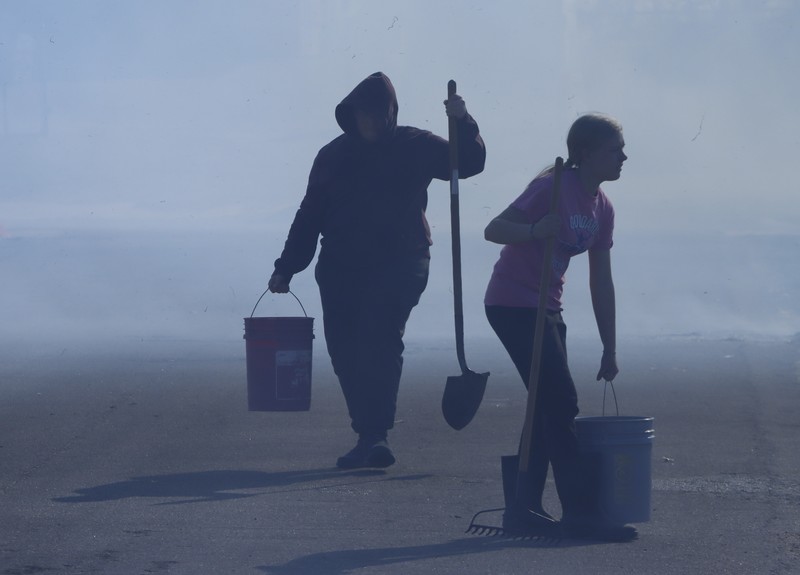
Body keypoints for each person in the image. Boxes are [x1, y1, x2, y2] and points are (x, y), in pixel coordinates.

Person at [268, 72, 486, 469]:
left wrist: (463, 121)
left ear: (389, 113)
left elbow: (468, 162)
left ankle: (375, 434)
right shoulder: (332, 155)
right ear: (350, 115)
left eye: (374, 114)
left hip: (402, 262)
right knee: (343, 349)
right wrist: (287, 267)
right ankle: (367, 433)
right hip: (340, 266)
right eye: (360, 114)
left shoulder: (415, 144)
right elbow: (310, 214)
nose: (367, 122)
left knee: (380, 340)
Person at [483, 113, 634, 540]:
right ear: (585, 153)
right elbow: (494, 229)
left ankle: (522, 509)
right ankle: (581, 515)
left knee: (546, 406)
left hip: (548, 307)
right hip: (512, 302)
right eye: (615, 150)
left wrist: (609, 347)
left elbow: (601, 282)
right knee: (561, 402)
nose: (623, 157)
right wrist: (534, 229)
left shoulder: (602, 207)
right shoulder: (552, 188)